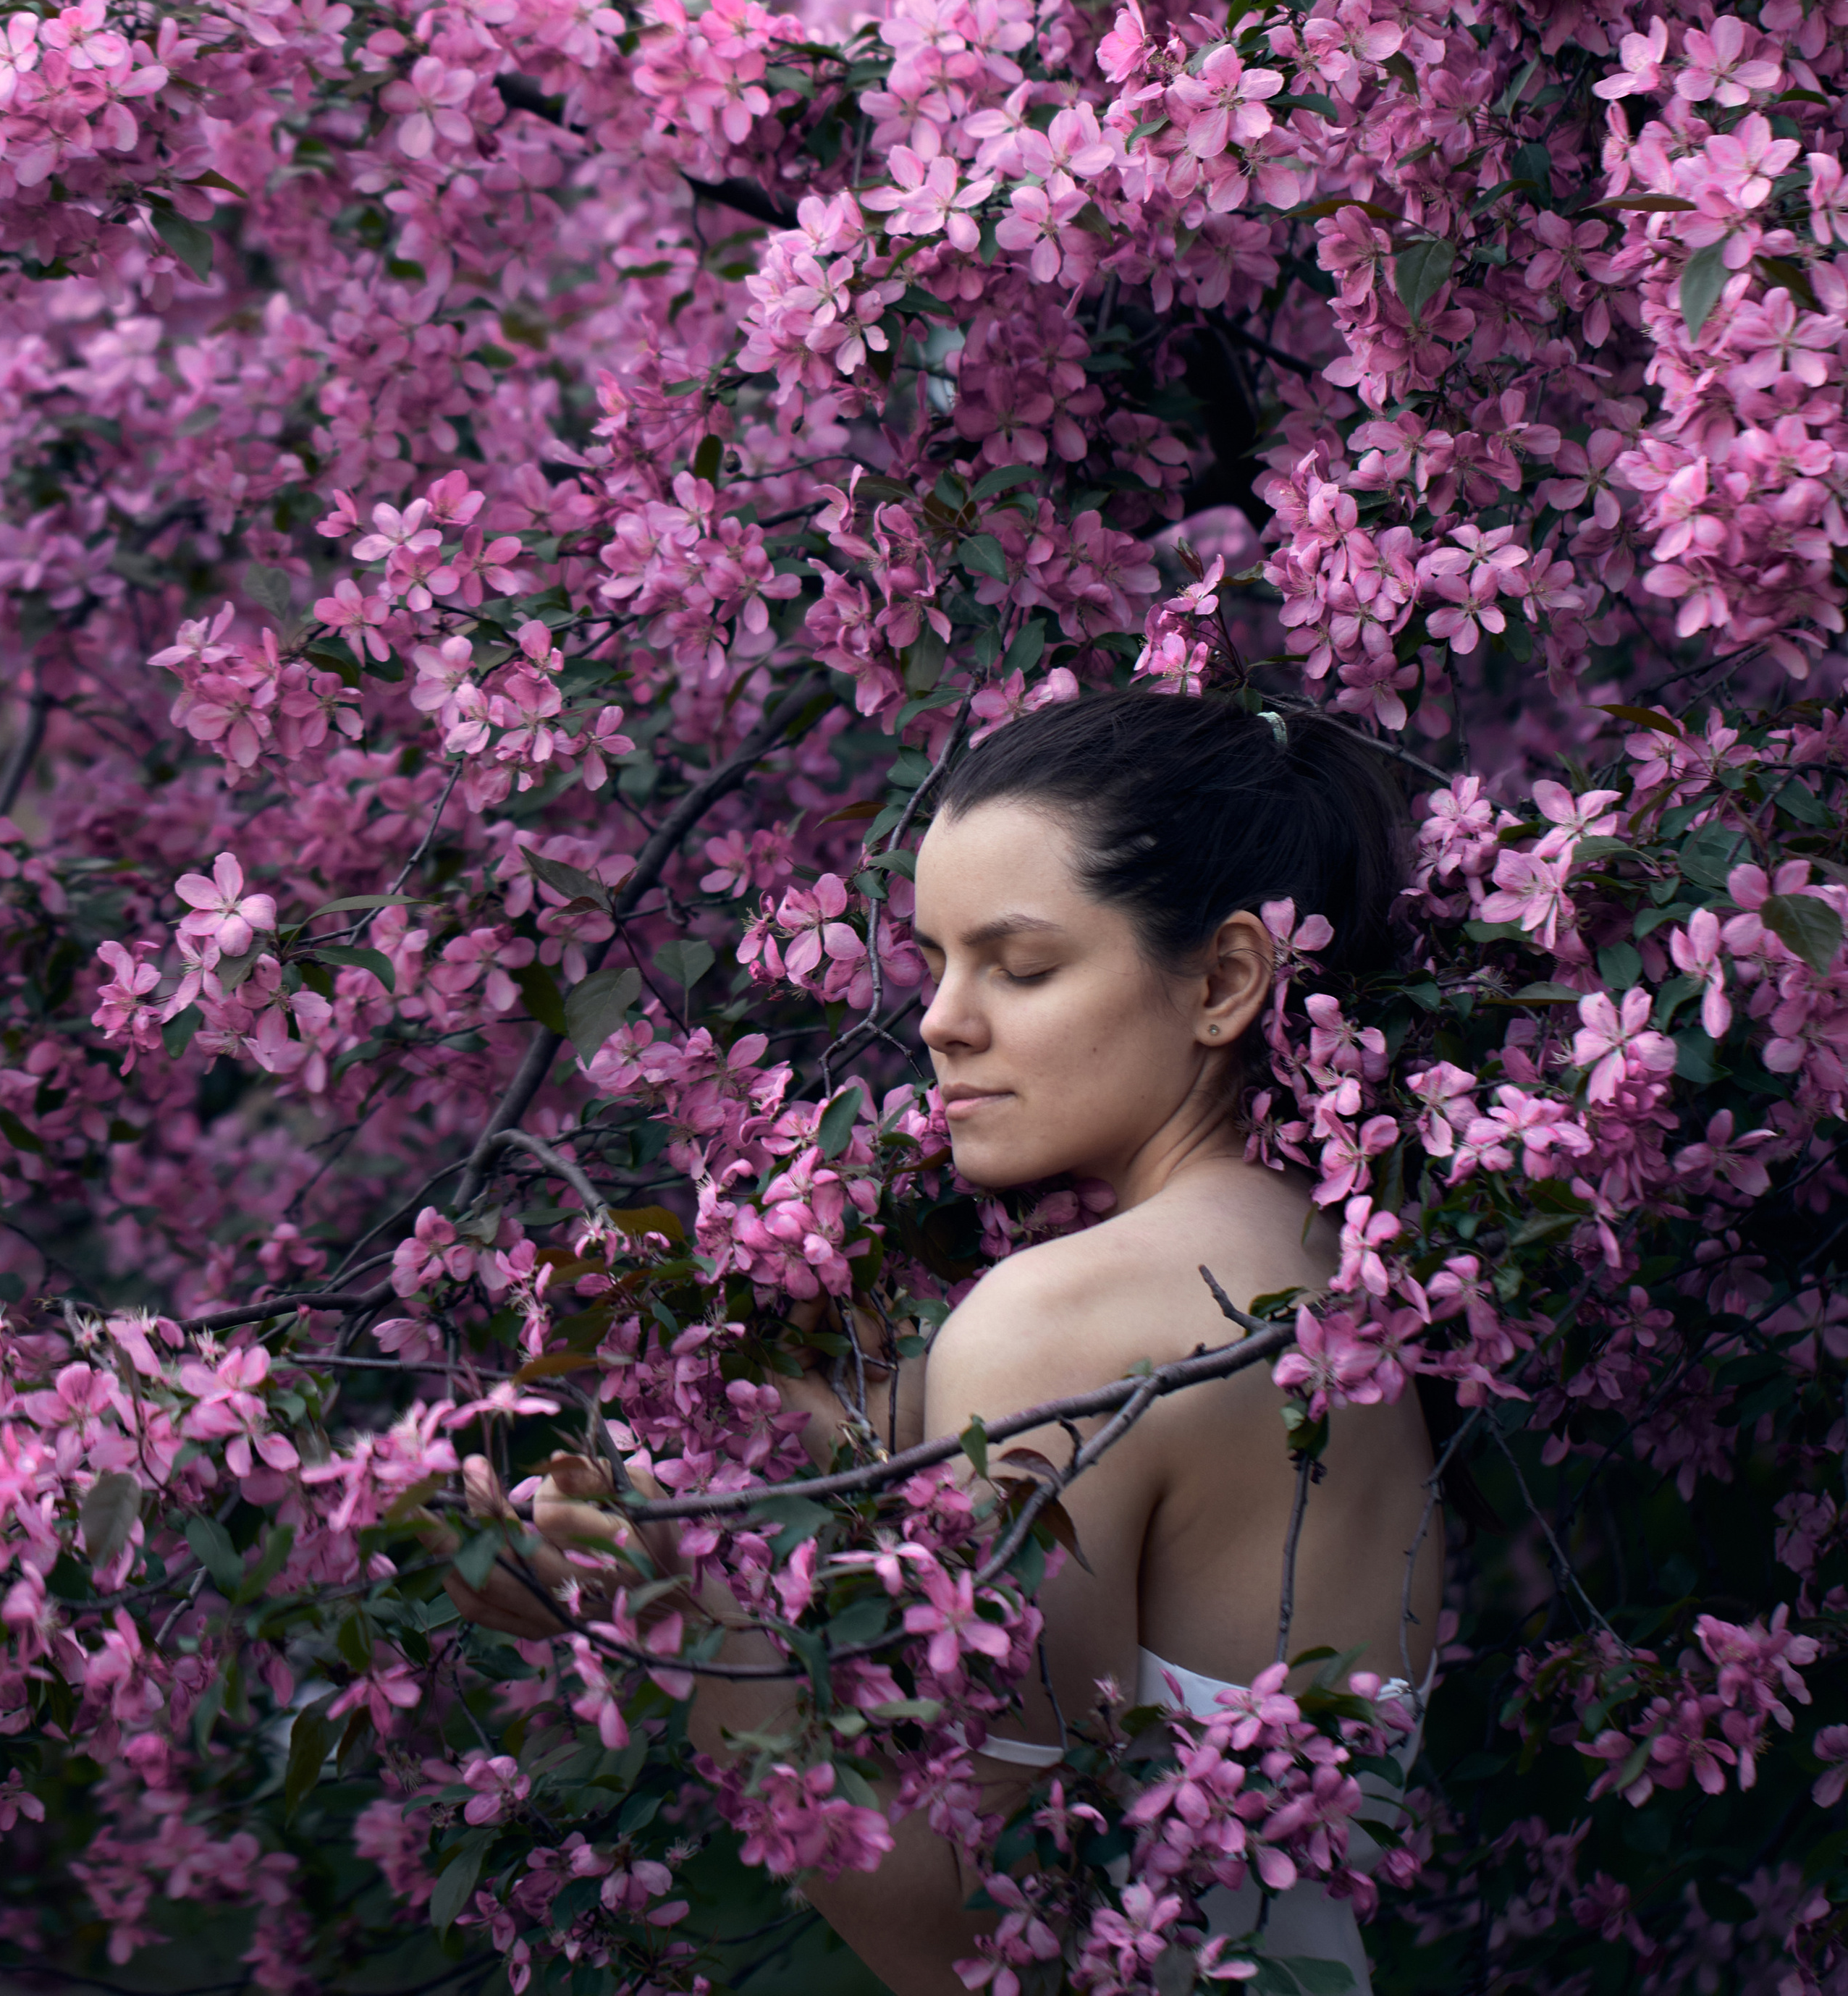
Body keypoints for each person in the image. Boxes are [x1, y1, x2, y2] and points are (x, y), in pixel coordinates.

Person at [444, 690, 1442, 1996]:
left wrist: (715, 1596)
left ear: (1223, 981)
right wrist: (715, 1485)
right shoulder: (1335, 1264)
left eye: (1020, 968)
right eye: (935, 964)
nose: (941, 1022)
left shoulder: (1062, 1320)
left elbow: (988, 1941)